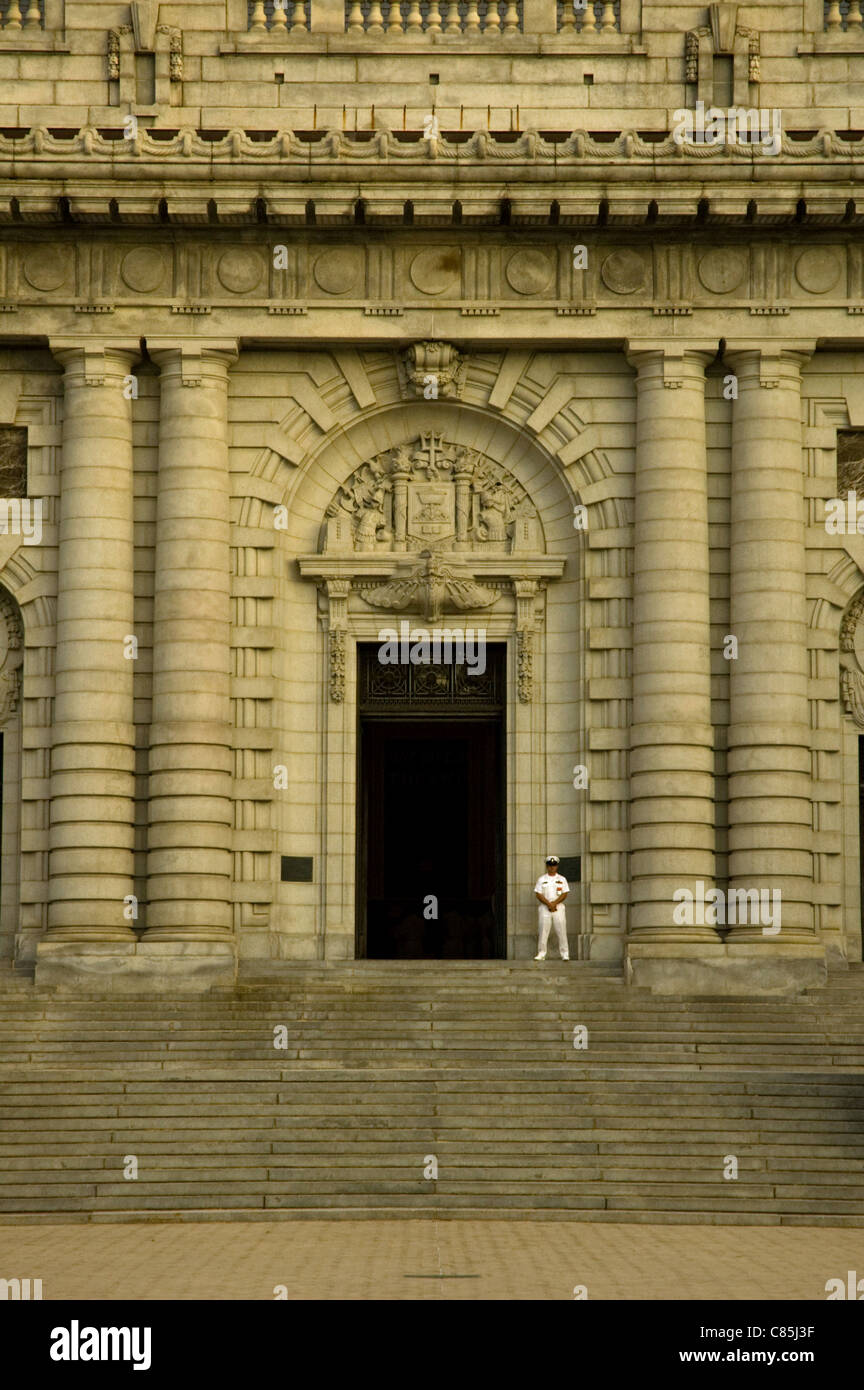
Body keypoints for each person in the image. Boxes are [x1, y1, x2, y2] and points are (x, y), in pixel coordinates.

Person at [534, 855, 570, 961]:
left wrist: (554, 903)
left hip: (558, 907)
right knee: (543, 931)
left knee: (561, 930)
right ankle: (541, 953)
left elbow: (564, 893)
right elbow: (538, 894)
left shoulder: (562, 879)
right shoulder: (542, 879)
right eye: (550, 865)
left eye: (554, 865)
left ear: (557, 866)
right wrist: (549, 904)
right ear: (546, 866)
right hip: (545, 908)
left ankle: (565, 953)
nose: (552, 867)